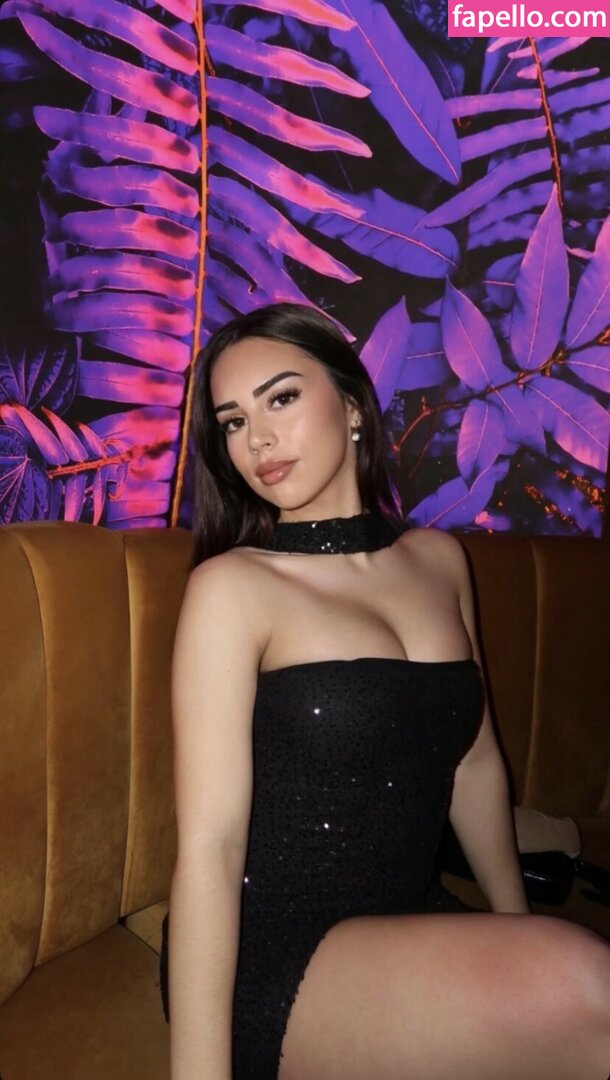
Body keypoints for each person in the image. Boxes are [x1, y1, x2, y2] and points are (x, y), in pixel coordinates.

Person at [162, 302, 610, 1080]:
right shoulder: (231, 589)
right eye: (233, 422)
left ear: (352, 407)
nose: (256, 439)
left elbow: (474, 766)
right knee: (588, 983)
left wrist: (511, 929)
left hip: (411, 916)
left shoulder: (438, 561)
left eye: (280, 398)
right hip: (277, 948)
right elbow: (210, 846)